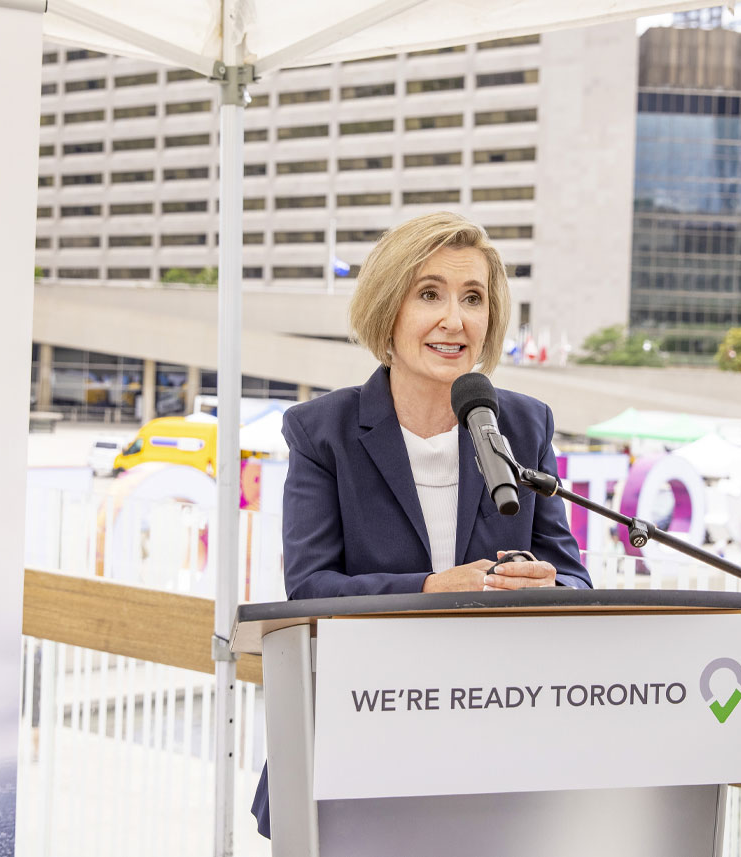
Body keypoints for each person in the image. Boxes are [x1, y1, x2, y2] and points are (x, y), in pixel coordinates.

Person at [251, 212, 591, 838]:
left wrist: (550, 588)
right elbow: (309, 587)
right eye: (429, 294)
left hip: (493, 746)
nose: (454, 320)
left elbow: (573, 575)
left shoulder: (523, 424)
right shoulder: (321, 431)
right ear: (388, 311)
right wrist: (434, 589)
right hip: (354, 740)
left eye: (473, 298)